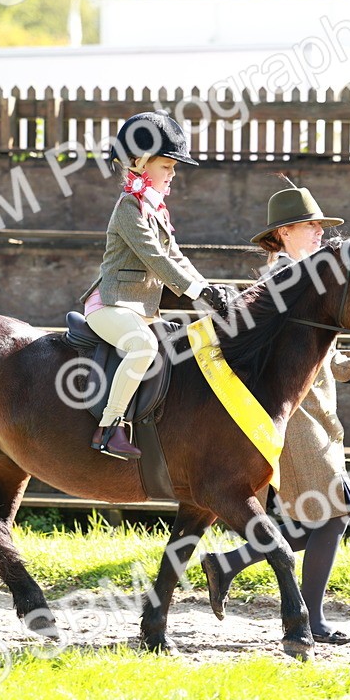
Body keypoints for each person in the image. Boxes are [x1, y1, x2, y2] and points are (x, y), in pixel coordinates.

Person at [199, 186, 350, 645]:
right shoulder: (278, 284)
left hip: (321, 417)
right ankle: (311, 619)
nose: (317, 234)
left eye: (320, 228)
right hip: (297, 418)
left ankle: (228, 564)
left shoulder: (313, 281)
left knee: (320, 518)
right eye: (309, 227)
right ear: (283, 233)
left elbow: (327, 355)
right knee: (335, 515)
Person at [80, 111, 232, 460]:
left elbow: (176, 256)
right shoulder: (128, 208)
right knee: (144, 347)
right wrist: (196, 292)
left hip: (140, 307)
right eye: (167, 166)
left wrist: (208, 287)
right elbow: (156, 260)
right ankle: (108, 428)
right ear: (137, 162)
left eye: (174, 168)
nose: (174, 174)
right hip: (110, 305)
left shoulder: (156, 209)